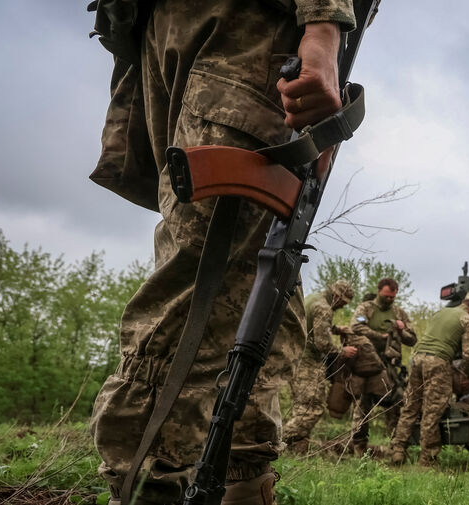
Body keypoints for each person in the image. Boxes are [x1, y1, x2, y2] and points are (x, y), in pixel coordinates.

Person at [88, 2, 358, 504]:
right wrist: (323, 31)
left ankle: (242, 482)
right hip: (241, 37)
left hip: (184, 35)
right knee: (209, 279)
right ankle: (148, 486)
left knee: (256, 281)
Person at [389, 291, 469, 467]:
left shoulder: (441, 312)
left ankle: (398, 451)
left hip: (417, 359)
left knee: (410, 407)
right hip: (437, 362)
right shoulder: (467, 320)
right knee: (431, 411)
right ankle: (427, 460)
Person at [282, 280, 357, 454]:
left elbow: (311, 325)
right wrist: (342, 351)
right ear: (337, 296)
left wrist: (336, 329)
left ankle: (293, 451)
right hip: (307, 362)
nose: (343, 306)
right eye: (343, 303)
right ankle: (277, 442)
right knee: (311, 409)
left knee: (302, 407)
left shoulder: (313, 298)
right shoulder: (324, 308)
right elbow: (322, 343)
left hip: (295, 355)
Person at [344, 278, 416, 455]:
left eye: (393, 297)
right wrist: (380, 336)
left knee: (397, 404)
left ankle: (396, 447)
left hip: (391, 366)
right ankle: (359, 447)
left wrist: (401, 330)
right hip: (367, 365)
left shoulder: (399, 313)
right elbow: (356, 326)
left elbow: (412, 339)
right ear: (379, 292)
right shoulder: (366, 309)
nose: (390, 300)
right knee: (363, 406)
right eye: (386, 296)